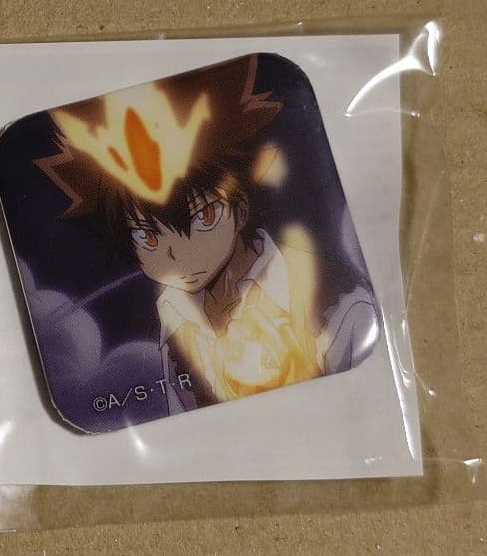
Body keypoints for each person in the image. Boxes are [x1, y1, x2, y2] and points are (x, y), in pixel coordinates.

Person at [39, 54, 378, 415]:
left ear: (240, 206)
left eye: (205, 217)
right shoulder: (176, 317)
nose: (177, 255)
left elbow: (357, 399)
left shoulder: (337, 300)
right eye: (148, 238)